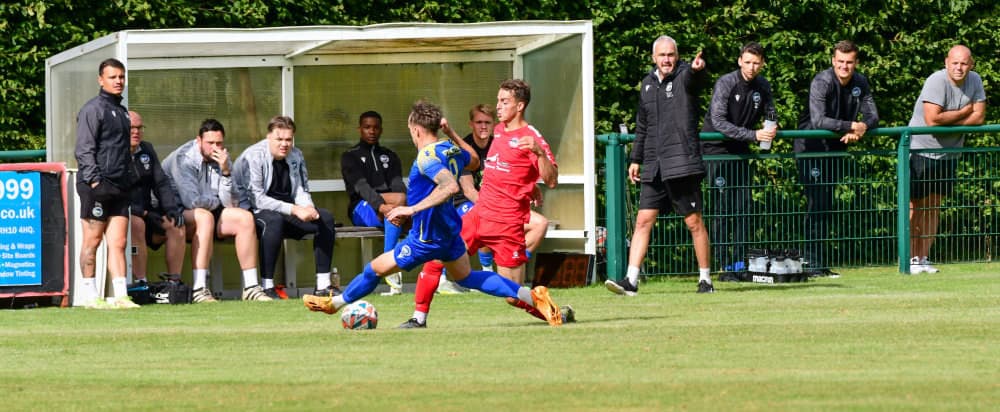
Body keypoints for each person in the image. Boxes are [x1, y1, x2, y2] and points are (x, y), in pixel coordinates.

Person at [302, 100, 562, 327]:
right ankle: (531, 296)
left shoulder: (426, 157)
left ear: (416, 129)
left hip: (426, 238)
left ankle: (334, 304)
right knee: (468, 277)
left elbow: (449, 186)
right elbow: (474, 161)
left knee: (374, 269)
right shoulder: (448, 148)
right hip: (450, 233)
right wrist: (452, 134)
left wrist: (411, 208)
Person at [404, 80, 564, 329]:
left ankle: (555, 313)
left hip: (507, 222)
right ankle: (418, 318)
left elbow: (552, 179)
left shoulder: (531, 137)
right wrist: (451, 133)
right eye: (498, 100)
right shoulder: (498, 130)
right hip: (479, 214)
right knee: (437, 257)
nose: (498, 106)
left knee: (513, 296)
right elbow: (504, 167)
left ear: (520, 106)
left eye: (504, 102)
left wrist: (540, 154)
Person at [605, 35, 713, 296]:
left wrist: (698, 70)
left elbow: (697, 80)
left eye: (671, 55)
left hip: (682, 163)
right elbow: (643, 126)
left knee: (694, 222)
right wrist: (636, 159)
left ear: (677, 56)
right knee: (643, 220)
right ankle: (631, 281)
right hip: (654, 165)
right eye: (662, 55)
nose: (666, 59)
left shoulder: (685, 76)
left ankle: (706, 280)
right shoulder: (647, 85)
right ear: (653, 57)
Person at [438, 104, 552, 294]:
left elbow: (513, 174)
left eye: (487, 122)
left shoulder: (499, 143)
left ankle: (513, 263)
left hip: (500, 207)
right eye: (479, 122)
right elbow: (468, 190)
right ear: (471, 124)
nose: (483, 126)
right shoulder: (464, 149)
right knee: (482, 220)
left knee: (540, 224)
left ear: (494, 125)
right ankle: (453, 275)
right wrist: (493, 210)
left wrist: (530, 186)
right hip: (464, 203)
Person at [162, 119, 270, 302]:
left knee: (244, 218)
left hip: (209, 210)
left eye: (219, 143)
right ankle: (199, 288)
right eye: (210, 143)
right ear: (199, 140)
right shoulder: (184, 158)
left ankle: (251, 287)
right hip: (176, 213)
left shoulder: (223, 158)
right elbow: (192, 202)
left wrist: (226, 171)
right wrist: (218, 202)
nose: (215, 148)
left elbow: (232, 203)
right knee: (205, 217)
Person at [795, 40, 878, 276]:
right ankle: (811, 264)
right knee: (816, 204)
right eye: (840, 61)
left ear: (856, 62)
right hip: (811, 148)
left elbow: (873, 116)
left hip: (836, 148)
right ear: (833, 61)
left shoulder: (860, 82)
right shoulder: (822, 81)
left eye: (849, 62)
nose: (844, 66)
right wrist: (850, 125)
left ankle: (820, 265)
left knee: (826, 206)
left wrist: (861, 128)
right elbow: (818, 120)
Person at [233, 115, 339, 298]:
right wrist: (295, 209)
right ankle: (267, 286)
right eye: (279, 139)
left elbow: (301, 189)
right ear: (268, 137)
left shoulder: (296, 155)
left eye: (289, 139)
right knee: (273, 220)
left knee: (326, 218)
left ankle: (323, 285)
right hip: (254, 211)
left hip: (286, 210)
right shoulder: (253, 156)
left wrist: (308, 207)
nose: (284, 144)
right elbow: (257, 199)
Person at [701, 42, 777, 275]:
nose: (752, 67)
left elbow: (771, 112)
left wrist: (771, 126)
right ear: (739, 61)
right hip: (716, 151)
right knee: (722, 209)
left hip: (741, 150)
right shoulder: (725, 83)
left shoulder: (763, 85)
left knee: (744, 208)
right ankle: (724, 265)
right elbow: (719, 122)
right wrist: (754, 135)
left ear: (762, 64)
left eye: (756, 63)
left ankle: (740, 264)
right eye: (748, 62)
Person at [908, 45, 985, 274]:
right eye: (955, 63)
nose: (959, 68)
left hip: (950, 153)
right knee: (916, 206)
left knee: (934, 206)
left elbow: (979, 117)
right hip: (921, 150)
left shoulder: (976, 80)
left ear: (971, 64)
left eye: (964, 63)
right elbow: (932, 120)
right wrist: (964, 112)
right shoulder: (936, 81)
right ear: (946, 62)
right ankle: (910, 259)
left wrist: (950, 119)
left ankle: (924, 258)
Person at [74, 58, 140, 309]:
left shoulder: (122, 112)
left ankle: (121, 295)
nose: (118, 81)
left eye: (121, 77)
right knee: (92, 241)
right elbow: (84, 149)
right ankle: (90, 295)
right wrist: (94, 181)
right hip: (97, 185)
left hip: (120, 186)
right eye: (113, 77)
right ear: (101, 80)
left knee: (119, 243)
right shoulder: (93, 109)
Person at [341, 111, 407, 296]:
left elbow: (398, 185)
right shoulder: (350, 156)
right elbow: (362, 187)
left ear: (381, 130)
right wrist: (381, 205)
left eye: (376, 127)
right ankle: (390, 265)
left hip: (389, 207)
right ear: (359, 129)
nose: (372, 131)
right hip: (361, 207)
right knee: (399, 204)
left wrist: (396, 205)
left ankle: (437, 275)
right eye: (367, 127)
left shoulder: (390, 156)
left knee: (418, 211)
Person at [127, 110, 187, 286]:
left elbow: (161, 182)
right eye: (131, 128)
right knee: (136, 223)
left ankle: (174, 282)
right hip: (125, 212)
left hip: (147, 212)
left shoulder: (147, 149)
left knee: (176, 224)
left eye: (140, 128)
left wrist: (171, 209)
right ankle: (141, 283)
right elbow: (116, 191)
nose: (136, 132)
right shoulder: (113, 153)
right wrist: (142, 213)